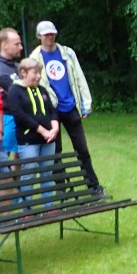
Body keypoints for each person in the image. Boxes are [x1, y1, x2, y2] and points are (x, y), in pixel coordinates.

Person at [29, 21, 104, 196]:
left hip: (70, 107)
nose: (50, 37)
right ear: (39, 37)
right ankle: (62, 190)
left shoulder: (67, 53)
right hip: (50, 110)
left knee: (82, 150)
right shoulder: (34, 58)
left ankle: (93, 186)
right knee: (55, 153)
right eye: (46, 34)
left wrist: (85, 104)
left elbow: (79, 77)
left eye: (52, 33)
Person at [4, 57, 59, 202]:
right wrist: (42, 130)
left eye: (40, 72)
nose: (39, 76)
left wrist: (55, 128)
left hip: (48, 140)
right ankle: (27, 207)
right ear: (23, 72)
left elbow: (52, 110)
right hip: (28, 140)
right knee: (29, 173)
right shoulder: (15, 91)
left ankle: (48, 206)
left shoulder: (42, 89)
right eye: (35, 73)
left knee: (47, 173)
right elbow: (20, 115)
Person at [0, 28, 24, 160]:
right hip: (5, 116)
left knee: (20, 154)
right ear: (4, 45)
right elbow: (13, 88)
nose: (21, 47)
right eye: (17, 44)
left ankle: (15, 175)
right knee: (2, 158)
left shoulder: (17, 66)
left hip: (20, 114)